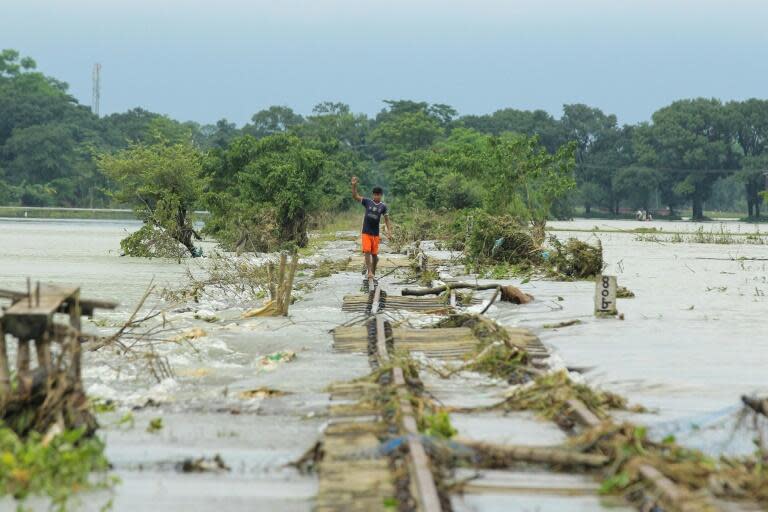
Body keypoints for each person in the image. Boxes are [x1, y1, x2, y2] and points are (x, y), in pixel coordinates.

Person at [351, 176, 392, 280]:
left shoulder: (383, 206)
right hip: (366, 232)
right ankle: (369, 272)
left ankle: (372, 272)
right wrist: (354, 185)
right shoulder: (368, 202)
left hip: (375, 234)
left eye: (378, 195)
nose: (377, 196)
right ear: (373, 195)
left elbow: (387, 219)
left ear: (381, 196)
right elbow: (355, 196)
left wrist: (389, 232)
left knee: (374, 255)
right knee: (367, 251)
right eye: (375, 194)